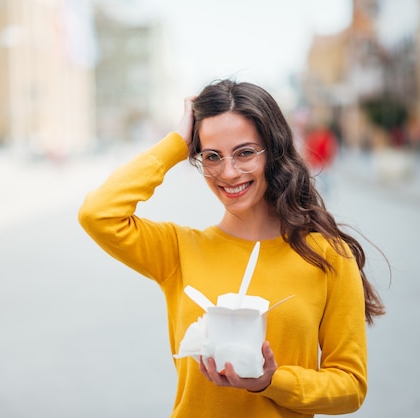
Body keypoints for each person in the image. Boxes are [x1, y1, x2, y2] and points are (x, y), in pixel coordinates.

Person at [78, 79, 385, 418]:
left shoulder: (327, 255)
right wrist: (176, 145)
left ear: (274, 150)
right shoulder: (179, 251)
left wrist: (271, 382)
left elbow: (350, 387)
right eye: (211, 156)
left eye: (245, 152)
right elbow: (97, 214)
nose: (228, 172)